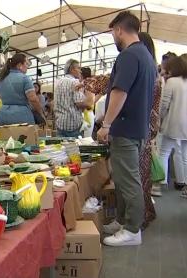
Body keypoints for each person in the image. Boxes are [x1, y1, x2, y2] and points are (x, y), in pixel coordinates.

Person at [99, 11, 156, 246]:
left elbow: (119, 92)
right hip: (137, 128)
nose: (113, 36)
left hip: (125, 129)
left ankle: (132, 229)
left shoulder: (129, 56)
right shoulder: (146, 56)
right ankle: (123, 221)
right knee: (123, 180)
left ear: (120, 30)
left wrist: (106, 124)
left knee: (129, 181)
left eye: (113, 31)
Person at [137, 32, 161, 228]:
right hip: (148, 127)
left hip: (141, 128)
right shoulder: (154, 72)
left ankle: (142, 216)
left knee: (139, 176)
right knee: (143, 176)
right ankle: (146, 213)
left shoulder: (147, 72)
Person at [0, 53, 45, 125]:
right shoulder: (25, 78)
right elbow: (33, 99)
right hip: (22, 117)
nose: (27, 67)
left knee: (5, 136)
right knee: (23, 136)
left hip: (3, 116)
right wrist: (41, 113)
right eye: (26, 64)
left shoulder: (1, 78)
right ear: (20, 65)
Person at [158, 56, 187, 198]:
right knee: (185, 156)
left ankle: (160, 184)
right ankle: (184, 184)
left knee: (164, 152)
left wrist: (159, 118)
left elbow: (164, 104)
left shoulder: (171, 82)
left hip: (173, 123)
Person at [54, 59, 92, 137]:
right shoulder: (74, 82)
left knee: (61, 148)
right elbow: (81, 103)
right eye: (79, 68)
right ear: (71, 69)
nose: (80, 71)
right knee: (74, 149)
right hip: (72, 125)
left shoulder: (58, 82)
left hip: (60, 123)